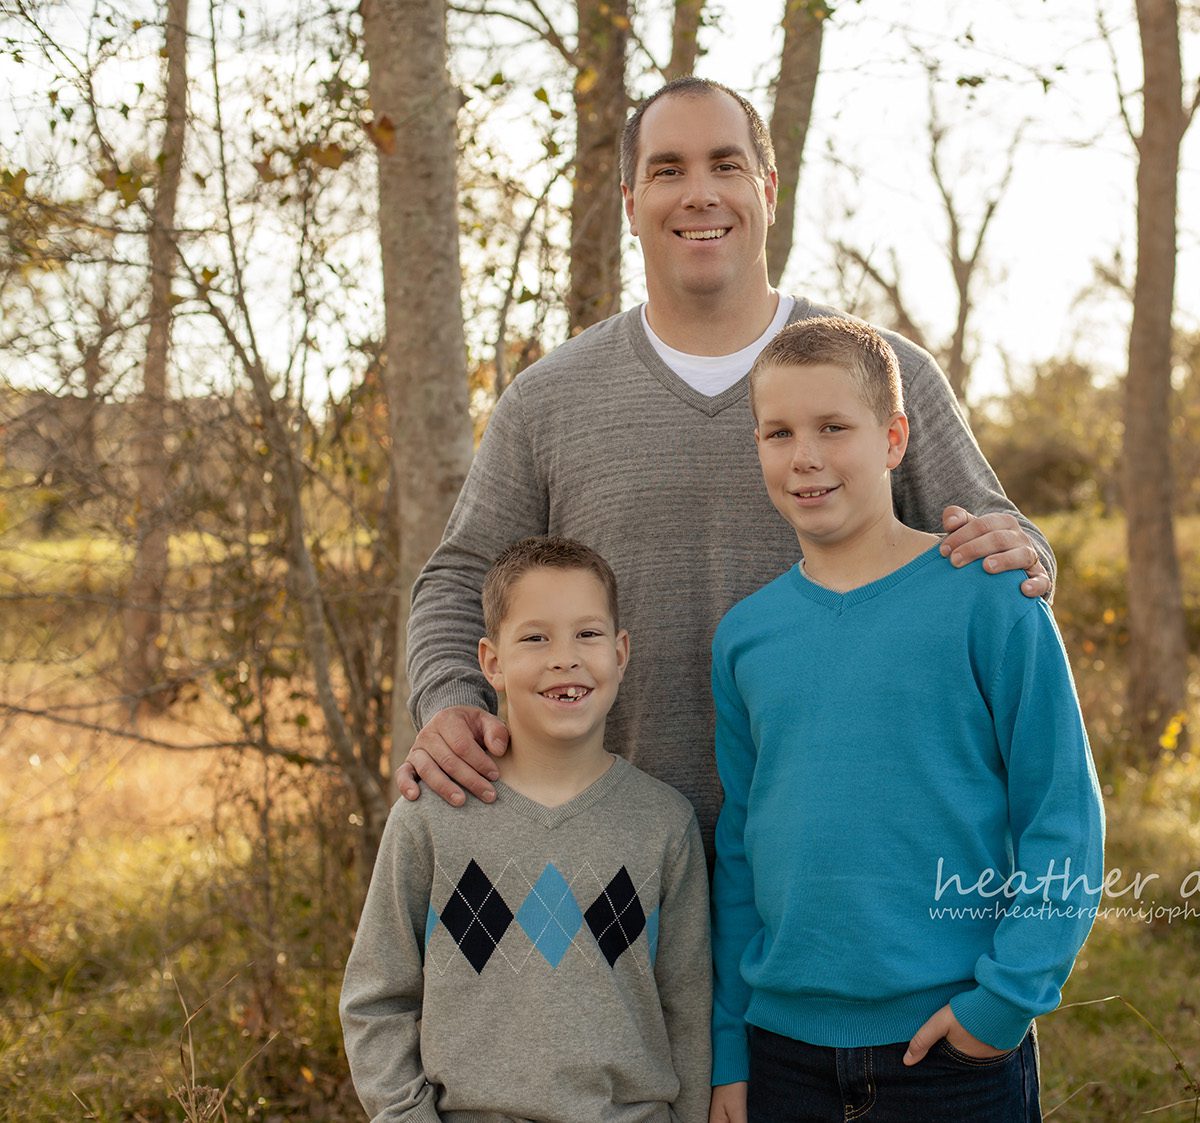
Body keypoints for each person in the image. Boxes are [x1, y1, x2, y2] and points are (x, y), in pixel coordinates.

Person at [399, 77, 1054, 853]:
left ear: (768, 190)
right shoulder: (547, 400)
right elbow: (457, 580)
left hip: (839, 869)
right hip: (608, 869)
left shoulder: (878, 374)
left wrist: (1029, 552)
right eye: (668, 170)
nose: (699, 193)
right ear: (629, 201)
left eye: (726, 165)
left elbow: (997, 546)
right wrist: (447, 701)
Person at [707, 318, 1104, 1122]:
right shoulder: (746, 637)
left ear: (892, 440)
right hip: (782, 1054)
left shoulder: (990, 596)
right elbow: (741, 849)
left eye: (832, 428)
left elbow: (1061, 815)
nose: (804, 456)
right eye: (778, 432)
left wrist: (1002, 1006)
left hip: (953, 1047)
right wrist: (727, 1048)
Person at [342, 537, 710, 1123]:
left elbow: (687, 1011)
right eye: (535, 638)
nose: (564, 658)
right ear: (491, 661)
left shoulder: (664, 824)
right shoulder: (434, 815)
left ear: (621, 653)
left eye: (587, 635)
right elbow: (376, 999)